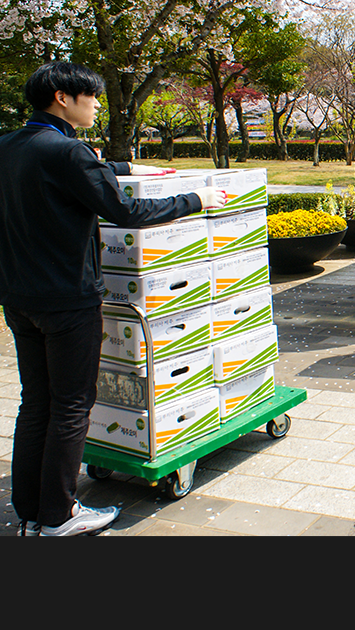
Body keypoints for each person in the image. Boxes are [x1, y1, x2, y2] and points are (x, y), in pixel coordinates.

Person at [0, 61, 227, 536]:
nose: (98, 104)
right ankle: (60, 516)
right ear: (63, 96)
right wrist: (195, 201)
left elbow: (81, 175)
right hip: (68, 298)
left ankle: (30, 512)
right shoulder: (67, 153)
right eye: (92, 96)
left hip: (19, 297)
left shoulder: (10, 146)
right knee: (71, 405)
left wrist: (126, 167)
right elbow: (124, 209)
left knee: (35, 403)